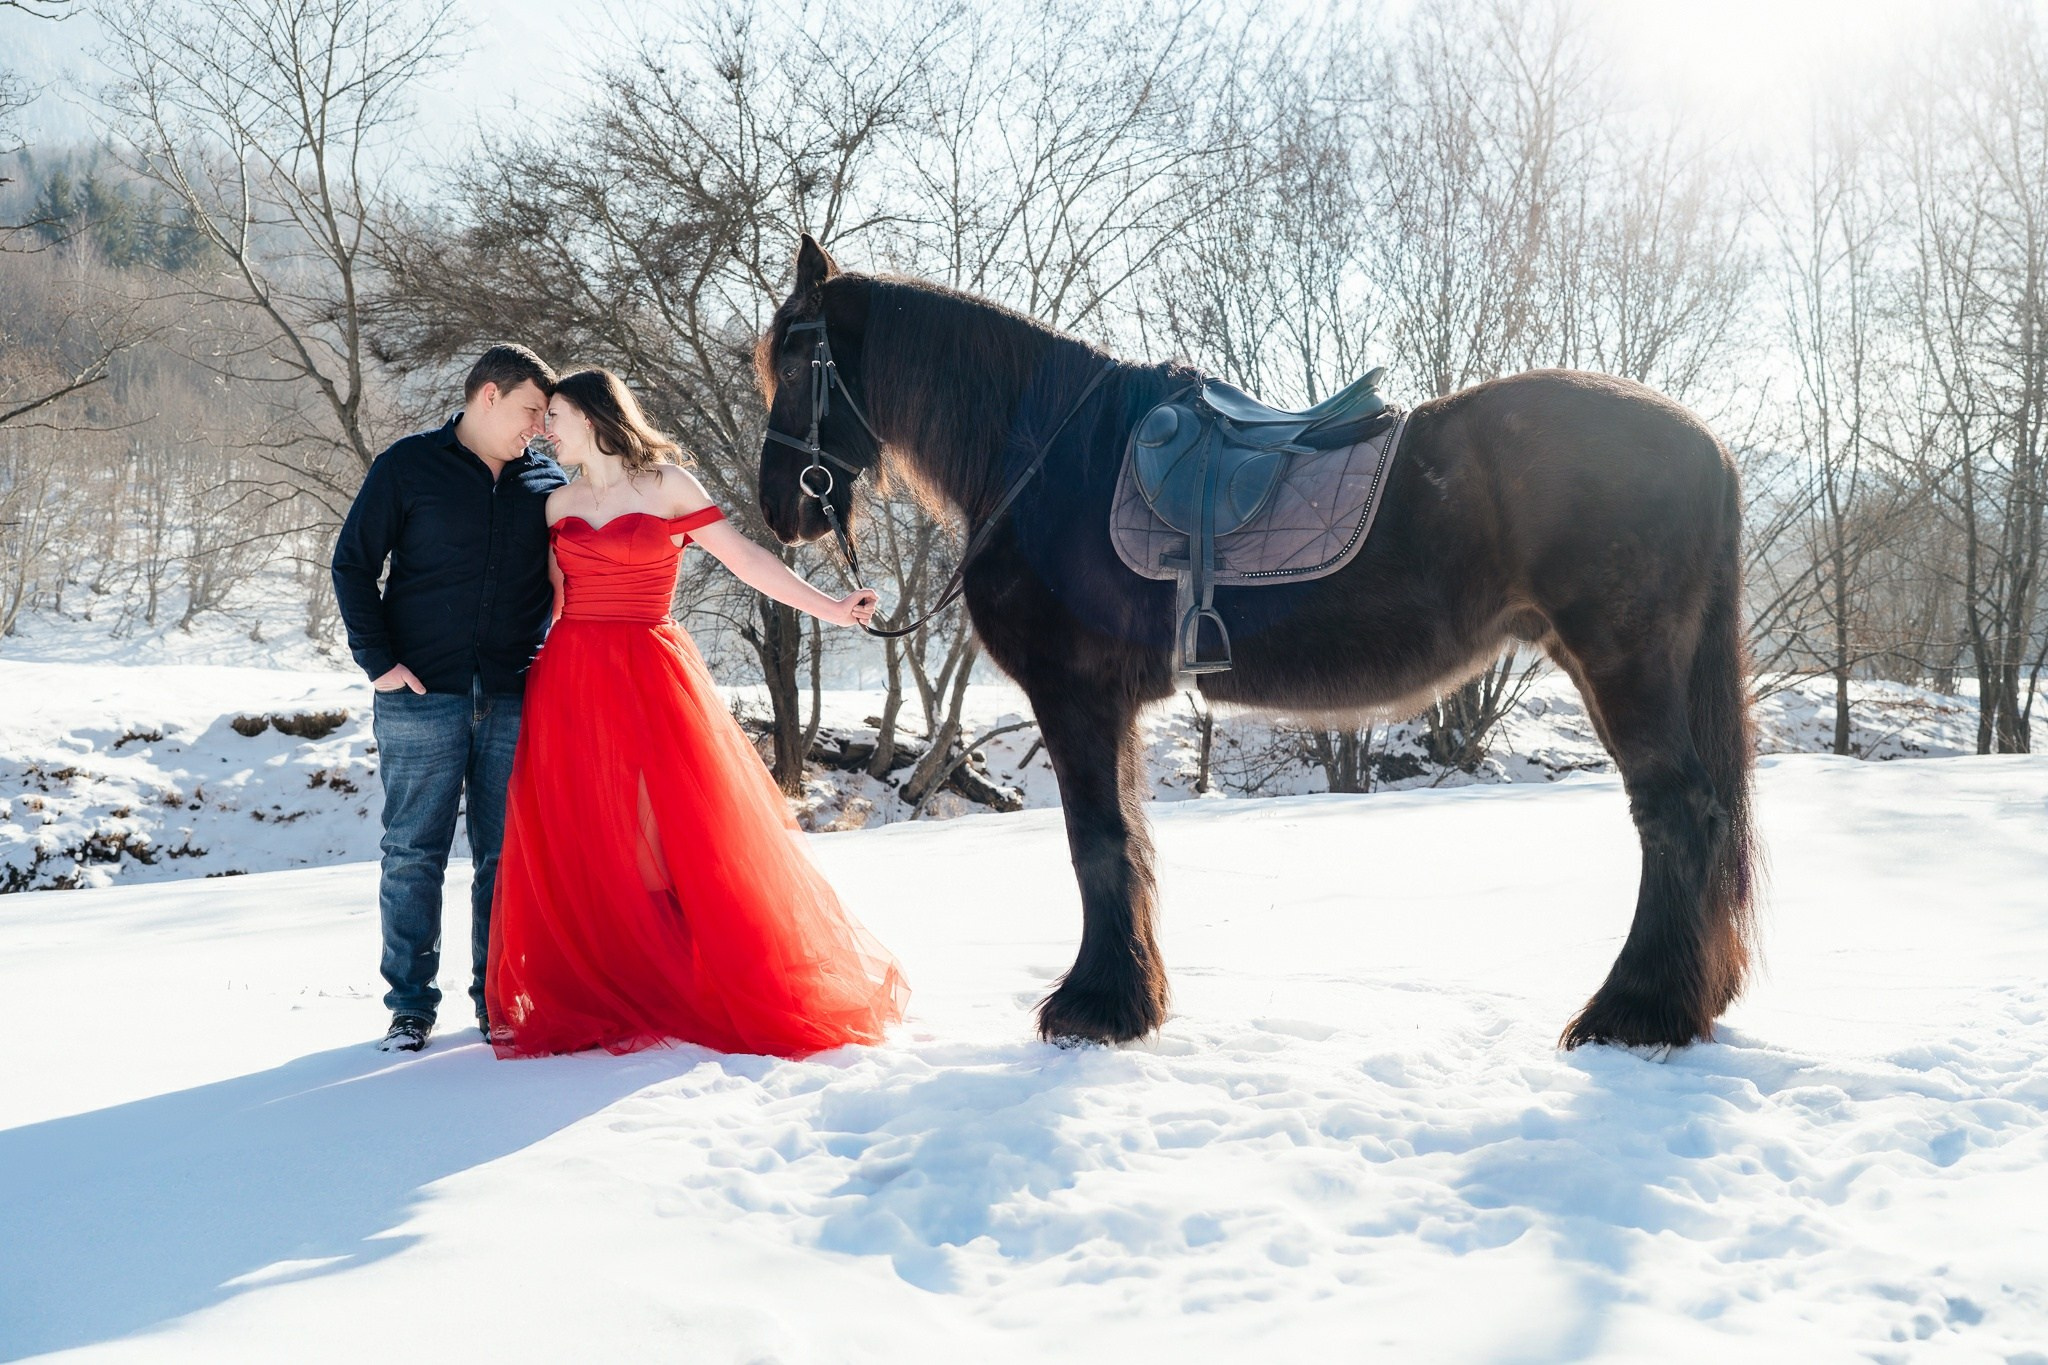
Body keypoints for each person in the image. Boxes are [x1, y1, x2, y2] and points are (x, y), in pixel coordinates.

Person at [485, 367, 907, 1058]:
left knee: (666, 834)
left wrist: (831, 607)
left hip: (650, 670)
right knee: (591, 833)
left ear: (592, 414)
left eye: (554, 415)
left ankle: (684, 975)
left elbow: (744, 560)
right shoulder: (556, 506)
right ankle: (611, 983)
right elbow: (548, 601)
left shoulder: (668, 484)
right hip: (570, 678)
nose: (545, 430)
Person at [331, 344, 567, 1052]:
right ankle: (409, 1007)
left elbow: (565, 583)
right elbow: (352, 563)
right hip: (418, 694)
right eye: (532, 410)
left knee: (502, 858)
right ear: (487, 395)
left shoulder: (549, 481)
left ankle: (494, 999)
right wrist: (379, 663)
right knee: (413, 852)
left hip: (513, 695)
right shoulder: (407, 465)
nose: (541, 427)